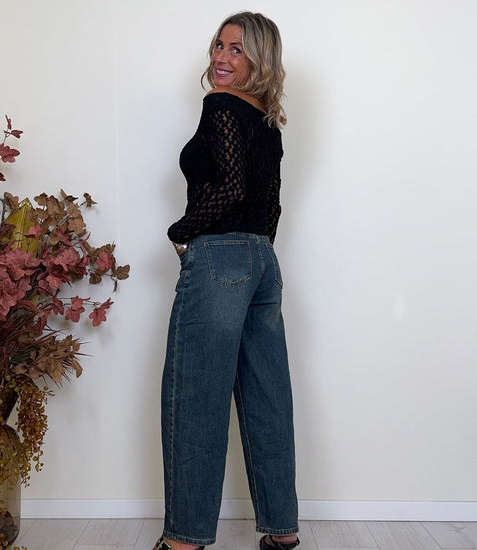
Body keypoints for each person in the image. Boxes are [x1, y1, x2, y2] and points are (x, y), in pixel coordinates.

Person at [154, 12, 299, 550]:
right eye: (220, 45)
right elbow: (271, 202)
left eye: (237, 49)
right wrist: (257, 251)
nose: (221, 56)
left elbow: (231, 188)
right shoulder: (268, 120)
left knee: (195, 395)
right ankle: (282, 533)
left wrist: (181, 231)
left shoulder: (220, 105)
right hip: (262, 260)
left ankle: (183, 541)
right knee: (267, 397)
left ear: (260, 59)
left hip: (219, 259)